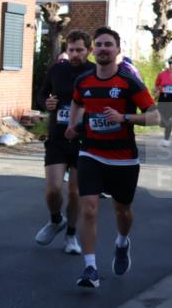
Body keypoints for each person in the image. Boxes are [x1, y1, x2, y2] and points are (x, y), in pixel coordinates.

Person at [65, 27, 158, 288]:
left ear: (118, 50)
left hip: (123, 157)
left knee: (123, 210)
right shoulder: (83, 81)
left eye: (109, 44)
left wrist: (125, 118)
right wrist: (72, 126)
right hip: (91, 152)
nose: (103, 49)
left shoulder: (129, 82)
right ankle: (90, 268)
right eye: (99, 45)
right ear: (93, 50)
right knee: (90, 208)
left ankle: (122, 242)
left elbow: (155, 115)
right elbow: (76, 101)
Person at [34, 30, 95, 254]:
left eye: (80, 50)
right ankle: (55, 220)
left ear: (89, 50)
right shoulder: (57, 69)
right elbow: (41, 95)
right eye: (71, 50)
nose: (75, 54)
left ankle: (71, 235)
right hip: (58, 137)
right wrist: (46, 103)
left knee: (75, 191)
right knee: (53, 189)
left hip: (84, 139)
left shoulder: (94, 72)